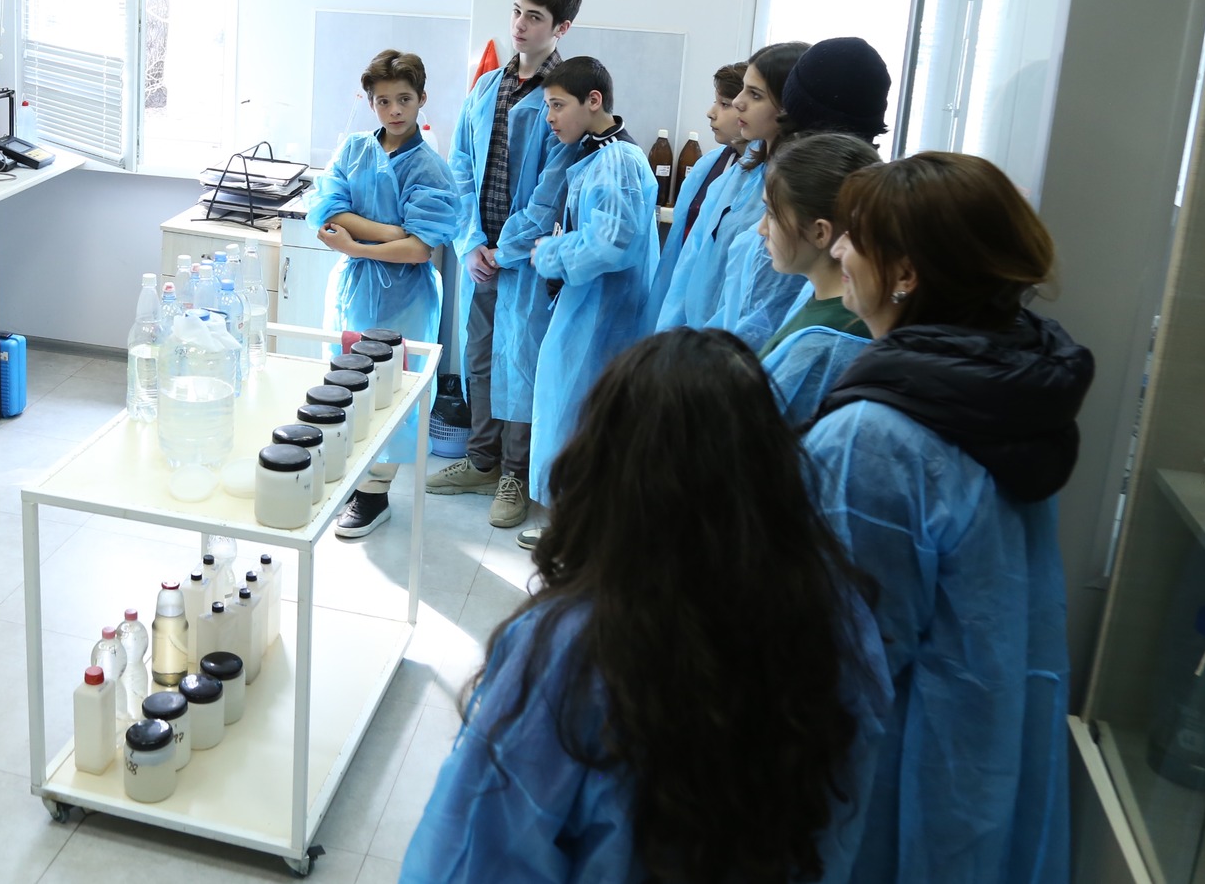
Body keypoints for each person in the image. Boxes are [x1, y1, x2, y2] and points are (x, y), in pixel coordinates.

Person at [401, 329, 891, 884]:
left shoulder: (576, 646)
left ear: (607, 466)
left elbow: (471, 853)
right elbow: (844, 823)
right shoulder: (839, 619)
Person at [806, 151, 1091, 883]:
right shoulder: (1012, 400)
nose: (837, 250)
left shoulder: (873, 440)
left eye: (855, 237)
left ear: (905, 272)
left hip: (890, 785)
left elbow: (838, 670)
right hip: (986, 757)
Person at [430, 0, 583, 529]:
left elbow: (552, 188)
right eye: (517, 11)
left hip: (529, 263)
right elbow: (461, 168)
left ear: (561, 27)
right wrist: (472, 242)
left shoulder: (561, 97)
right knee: (479, 359)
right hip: (480, 256)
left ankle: (514, 473)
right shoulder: (486, 88)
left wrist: (508, 249)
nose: (519, 25)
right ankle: (480, 460)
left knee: (521, 364)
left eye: (534, 17)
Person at [313, 51, 465, 539]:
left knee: (393, 396)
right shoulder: (354, 150)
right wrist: (391, 232)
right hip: (355, 289)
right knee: (347, 385)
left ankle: (375, 495)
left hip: (406, 298)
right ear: (370, 103)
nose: (394, 110)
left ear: (422, 99)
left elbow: (419, 250)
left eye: (404, 99)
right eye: (383, 101)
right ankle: (353, 480)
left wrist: (357, 244)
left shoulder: (431, 168)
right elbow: (328, 210)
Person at [500, 56, 656, 527]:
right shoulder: (596, 154)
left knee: (582, 416)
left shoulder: (617, 160)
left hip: (603, 313)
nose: (549, 117)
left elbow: (611, 243)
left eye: (557, 105)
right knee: (572, 411)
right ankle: (571, 524)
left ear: (593, 100)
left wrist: (550, 252)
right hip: (589, 306)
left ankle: (577, 530)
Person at [712, 37, 892, 350]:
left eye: (756, 94)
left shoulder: (803, 194)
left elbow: (760, 323)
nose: (738, 102)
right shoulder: (861, 190)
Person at [651, 41, 806, 335]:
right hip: (695, 336)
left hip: (729, 347)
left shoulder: (793, 188)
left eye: (755, 94)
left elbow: (763, 304)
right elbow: (690, 264)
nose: (738, 103)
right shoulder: (737, 175)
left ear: (790, 104)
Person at [754, 132, 880, 426]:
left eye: (771, 214)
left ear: (820, 232)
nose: (761, 229)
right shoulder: (823, 301)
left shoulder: (833, 338)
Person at [648, 60, 746, 322]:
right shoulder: (710, 165)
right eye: (716, 102)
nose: (711, 113)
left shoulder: (762, 181)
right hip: (682, 300)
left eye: (725, 104)